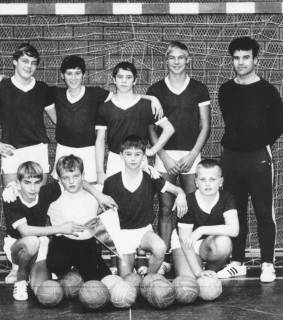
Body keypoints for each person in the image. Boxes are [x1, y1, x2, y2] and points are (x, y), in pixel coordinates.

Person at [2, 157, 116, 301]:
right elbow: (25, 231)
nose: (32, 188)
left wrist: (99, 196)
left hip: (41, 244)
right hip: (18, 246)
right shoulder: (11, 198)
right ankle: (20, 278)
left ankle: (36, 273)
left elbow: (75, 180)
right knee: (31, 242)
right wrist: (61, 228)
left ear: (41, 182)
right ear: (18, 184)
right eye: (27, 182)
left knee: (45, 293)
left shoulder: (46, 192)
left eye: (37, 182)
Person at [217, 37, 283, 282]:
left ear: (256, 59)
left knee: (264, 211)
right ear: (232, 60)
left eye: (246, 57)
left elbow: (278, 124)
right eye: (236, 58)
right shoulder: (225, 89)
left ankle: (267, 263)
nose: (241, 62)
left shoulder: (267, 90)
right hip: (231, 158)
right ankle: (237, 262)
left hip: (258, 158)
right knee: (236, 212)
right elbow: (233, 122)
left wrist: (257, 143)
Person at [147, 41, 210, 273]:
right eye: (172, 57)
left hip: (191, 154)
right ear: (166, 60)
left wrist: (194, 154)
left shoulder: (199, 88)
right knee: (165, 208)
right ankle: (163, 260)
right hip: (165, 156)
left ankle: (192, 255)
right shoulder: (155, 89)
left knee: (191, 207)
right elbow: (151, 128)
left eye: (181, 57)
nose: (176, 62)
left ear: (188, 60)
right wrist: (162, 156)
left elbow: (205, 125)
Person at [49, 55, 164, 183]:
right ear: (62, 75)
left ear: (83, 75)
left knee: (91, 190)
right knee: (62, 187)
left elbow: (122, 94)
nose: (73, 77)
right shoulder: (56, 93)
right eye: (69, 73)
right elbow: (53, 115)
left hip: (88, 151)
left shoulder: (95, 94)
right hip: (63, 150)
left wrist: (151, 98)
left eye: (77, 73)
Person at [102, 135, 188, 277]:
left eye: (137, 154)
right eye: (128, 154)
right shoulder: (111, 182)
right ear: (121, 156)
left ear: (143, 157)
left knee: (160, 248)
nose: (133, 158)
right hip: (123, 235)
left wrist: (181, 195)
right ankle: (129, 271)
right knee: (127, 281)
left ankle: (148, 277)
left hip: (143, 231)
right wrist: (115, 239)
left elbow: (176, 189)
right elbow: (104, 213)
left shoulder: (152, 177)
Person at [95, 61, 175, 184]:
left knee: (140, 198)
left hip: (139, 159)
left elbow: (169, 129)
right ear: (114, 80)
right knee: (115, 200)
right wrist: (100, 171)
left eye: (128, 77)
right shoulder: (105, 107)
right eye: (120, 77)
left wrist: (152, 151)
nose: (124, 81)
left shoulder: (148, 105)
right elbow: (100, 140)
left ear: (135, 80)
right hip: (115, 159)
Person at [171, 159, 239, 279]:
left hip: (207, 242)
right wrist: (198, 272)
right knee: (188, 286)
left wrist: (201, 230)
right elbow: (184, 241)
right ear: (196, 182)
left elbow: (234, 230)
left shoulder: (227, 198)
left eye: (212, 179)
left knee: (224, 242)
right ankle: (198, 269)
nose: (207, 184)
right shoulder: (188, 201)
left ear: (221, 181)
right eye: (203, 180)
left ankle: (211, 269)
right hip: (186, 244)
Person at [46, 155, 110, 281]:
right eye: (66, 178)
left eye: (75, 176)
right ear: (59, 179)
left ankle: (83, 273)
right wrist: (13, 189)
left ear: (83, 175)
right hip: (63, 244)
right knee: (57, 269)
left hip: (87, 245)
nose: (71, 182)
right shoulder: (52, 195)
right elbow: (31, 197)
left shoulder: (96, 192)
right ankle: (65, 273)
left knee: (100, 280)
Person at [0, 43, 55, 187]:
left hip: (37, 150)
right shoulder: (2, 87)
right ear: (14, 62)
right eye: (25, 61)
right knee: (11, 199)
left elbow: (58, 120)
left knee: (38, 202)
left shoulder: (42, 88)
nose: (29, 66)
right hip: (11, 151)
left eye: (33, 63)